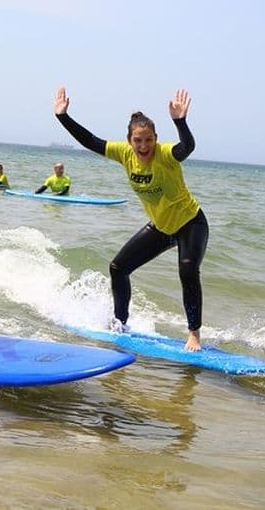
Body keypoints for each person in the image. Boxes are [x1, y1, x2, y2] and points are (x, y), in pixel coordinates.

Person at [53, 86, 208, 351]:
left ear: (156, 139)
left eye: (148, 140)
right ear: (129, 141)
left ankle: (194, 334)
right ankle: (120, 323)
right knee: (118, 267)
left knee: (187, 270)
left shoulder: (166, 154)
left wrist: (180, 122)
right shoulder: (124, 153)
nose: (143, 146)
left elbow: (187, 147)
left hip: (190, 223)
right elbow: (90, 140)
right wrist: (63, 117)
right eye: (138, 140)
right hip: (161, 226)